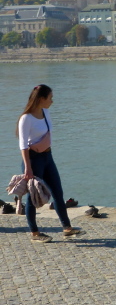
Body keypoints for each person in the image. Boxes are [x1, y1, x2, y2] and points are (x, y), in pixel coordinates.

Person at [16, 84, 83, 242]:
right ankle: (35, 233)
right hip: (33, 160)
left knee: (58, 192)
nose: (52, 101)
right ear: (41, 99)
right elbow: (23, 145)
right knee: (33, 197)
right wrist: (28, 168)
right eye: (50, 98)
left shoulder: (46, 112)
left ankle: (67, 227)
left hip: (47, 157)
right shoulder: (26, 118)